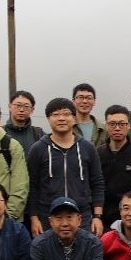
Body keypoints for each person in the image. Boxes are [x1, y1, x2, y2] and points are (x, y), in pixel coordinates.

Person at [26, 97, 104, 238]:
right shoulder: (38, 149)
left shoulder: (87, 148)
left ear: (74, 118)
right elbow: (32, 186)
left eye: (66, 114)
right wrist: (34, 218)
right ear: (48, 119)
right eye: (55, 114)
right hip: (47, 217)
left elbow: (97, 182)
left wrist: (97, 216)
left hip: (81, 217)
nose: (61, 118)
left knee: (82, 251)